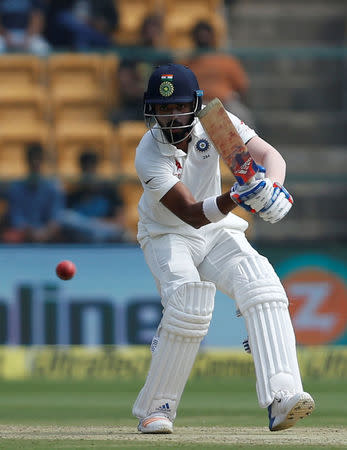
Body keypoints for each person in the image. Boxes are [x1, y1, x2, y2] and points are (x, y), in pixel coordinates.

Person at [132, 64, 315, 434]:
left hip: (217, 231)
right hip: (168, 235)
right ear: (152, 110)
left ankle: (282, 397)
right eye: (162, 109)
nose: (170, 117)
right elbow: (189, 214)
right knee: (188, 304)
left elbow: (268, 156)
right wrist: (237, 195)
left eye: (178, 107)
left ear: (194, 105)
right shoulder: (148, 154)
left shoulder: (215, 122)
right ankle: (157, 409)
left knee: (262, 286)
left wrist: (271, 187)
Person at [185, 20, 254, 126]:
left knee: (242, 115)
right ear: (194, 38)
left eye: (205, 35)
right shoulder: (187, 63)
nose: (203, 39)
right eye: (199, 36)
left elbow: (242, 86)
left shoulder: (226, 60)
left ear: (212, 37)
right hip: (197, 106)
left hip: (225, 104)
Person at [60, 150, 131, 243]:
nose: (89, 172)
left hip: (104, 232)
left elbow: (120, 222)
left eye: (92, 168)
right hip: (82, 236)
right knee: (66, 218)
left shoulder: (110, 191)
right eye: (86, 169)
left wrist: (94, 223)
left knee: (125, 234)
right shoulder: (73, 195)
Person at [2, 143, 64, 244]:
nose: (35, 162)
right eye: (32, 159)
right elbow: (17, 220)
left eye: (38, 159)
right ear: (27, 161)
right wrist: (31, 233)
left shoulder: (53, 188)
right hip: (23, 236)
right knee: (9, 237)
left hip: (48, 236)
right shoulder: (16, 188)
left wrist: (44, 234)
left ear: (43, 161)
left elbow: (55, 220)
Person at [45, 0, 118, 50]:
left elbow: (113, 21)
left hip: (94, 32)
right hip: (68, 33)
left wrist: (98, 22)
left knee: (82, 35)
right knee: (69, 22)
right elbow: (56, 15)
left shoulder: (104, 2)